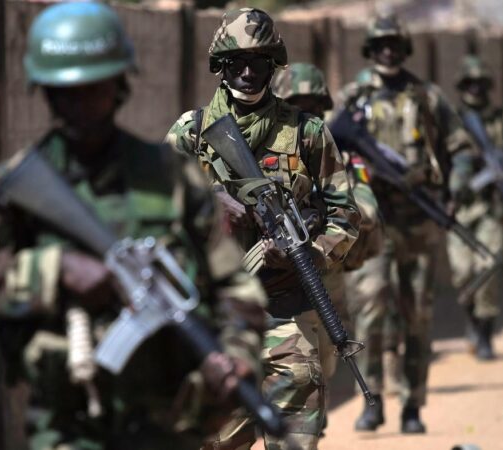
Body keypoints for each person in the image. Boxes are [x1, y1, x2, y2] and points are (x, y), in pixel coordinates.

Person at [0, 3, 267, 449]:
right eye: (65, 91)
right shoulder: (21, 185)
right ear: (46, 93)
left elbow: (235, 287)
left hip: (169, 420)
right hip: (68, 423)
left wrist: (237, 357)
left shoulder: (170, 178)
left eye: (95, 88)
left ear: (119, 85)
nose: (81, 103)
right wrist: (55, 272)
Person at [166, 9, 360, 449]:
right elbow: (153, 216)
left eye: (260, 62)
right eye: (238, 62)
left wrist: (310, 253)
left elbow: (345, 214)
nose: (249, 72)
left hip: (285, 311)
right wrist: (210, 206)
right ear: (221, 65)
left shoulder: (308, 133)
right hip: (213, 316)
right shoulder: (191, 134)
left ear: (275, 65)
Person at [337, 12, 474, 434]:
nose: (388, 50)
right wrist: (358, 177)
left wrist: (456, 192)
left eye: (395, 43)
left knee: (417, 315)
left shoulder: (427, 97)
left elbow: (462, 148)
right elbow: (326, 147)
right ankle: (372, 400)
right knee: (371, 309)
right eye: (381, 44)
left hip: (419, 219)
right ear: (370, 49)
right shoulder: (353, 96)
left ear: (405, 47)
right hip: (372, 220)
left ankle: (412, 405)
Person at [272, 62, 384, 435]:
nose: (305, 114)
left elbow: (366, 208)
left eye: (312, 106)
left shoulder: (342, 158)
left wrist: (327, 215)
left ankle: (308, 428)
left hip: (322, 271)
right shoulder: (268, 154)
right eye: (295, 105)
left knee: (321, 364)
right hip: (270, 276)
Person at [448, 55, 503, 360]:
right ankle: (472, 321)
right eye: (469, 83)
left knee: (488, 269)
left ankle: (485, 334)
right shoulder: (451, 121)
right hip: (458, 210)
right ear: (461, 86)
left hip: (491, 207)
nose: (475, 89)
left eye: (480, 83)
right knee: (463, 274)